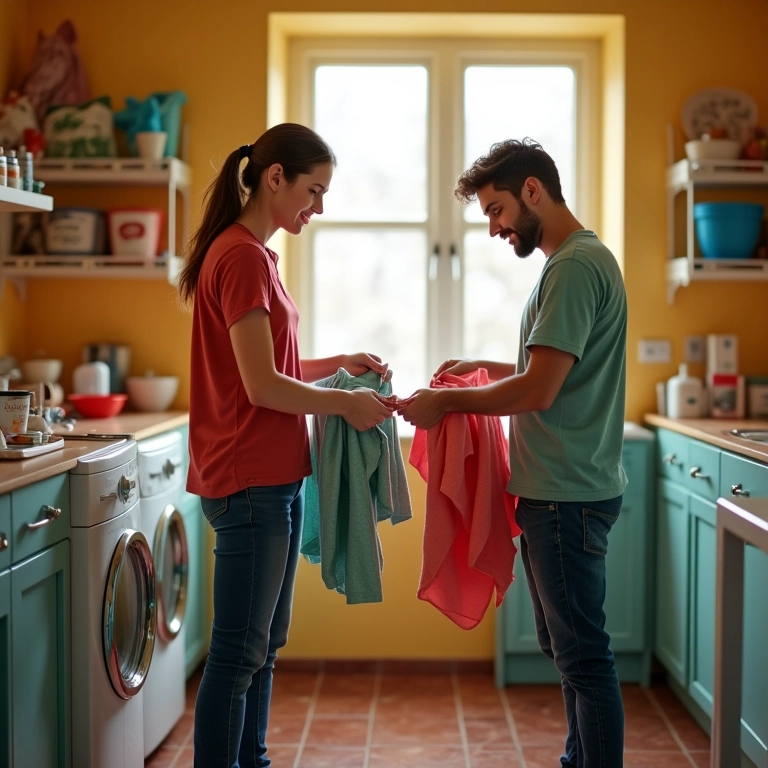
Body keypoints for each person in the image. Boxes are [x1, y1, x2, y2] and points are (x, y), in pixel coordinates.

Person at [399, 138, 628, 768]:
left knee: (583, 655)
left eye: (497, 210)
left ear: (533, 190)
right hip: (565, 490)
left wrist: (447, 404)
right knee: (570, 654)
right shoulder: (574, 263)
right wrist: (484, 366)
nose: (495, 228)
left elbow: (540, 388)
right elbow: (553, 367)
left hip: (566, 495)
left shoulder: (575, 268)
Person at [178, 123, 395, 768]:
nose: (318, 208)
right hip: (250, 483)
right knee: (240, 653)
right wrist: (347, 402)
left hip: (272, 479)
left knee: (261, 647)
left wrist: (338, 364)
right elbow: (263, 387)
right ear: (275, 177)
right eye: (314, 191)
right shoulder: (242, 256)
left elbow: (278, 366)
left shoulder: (254, 255)